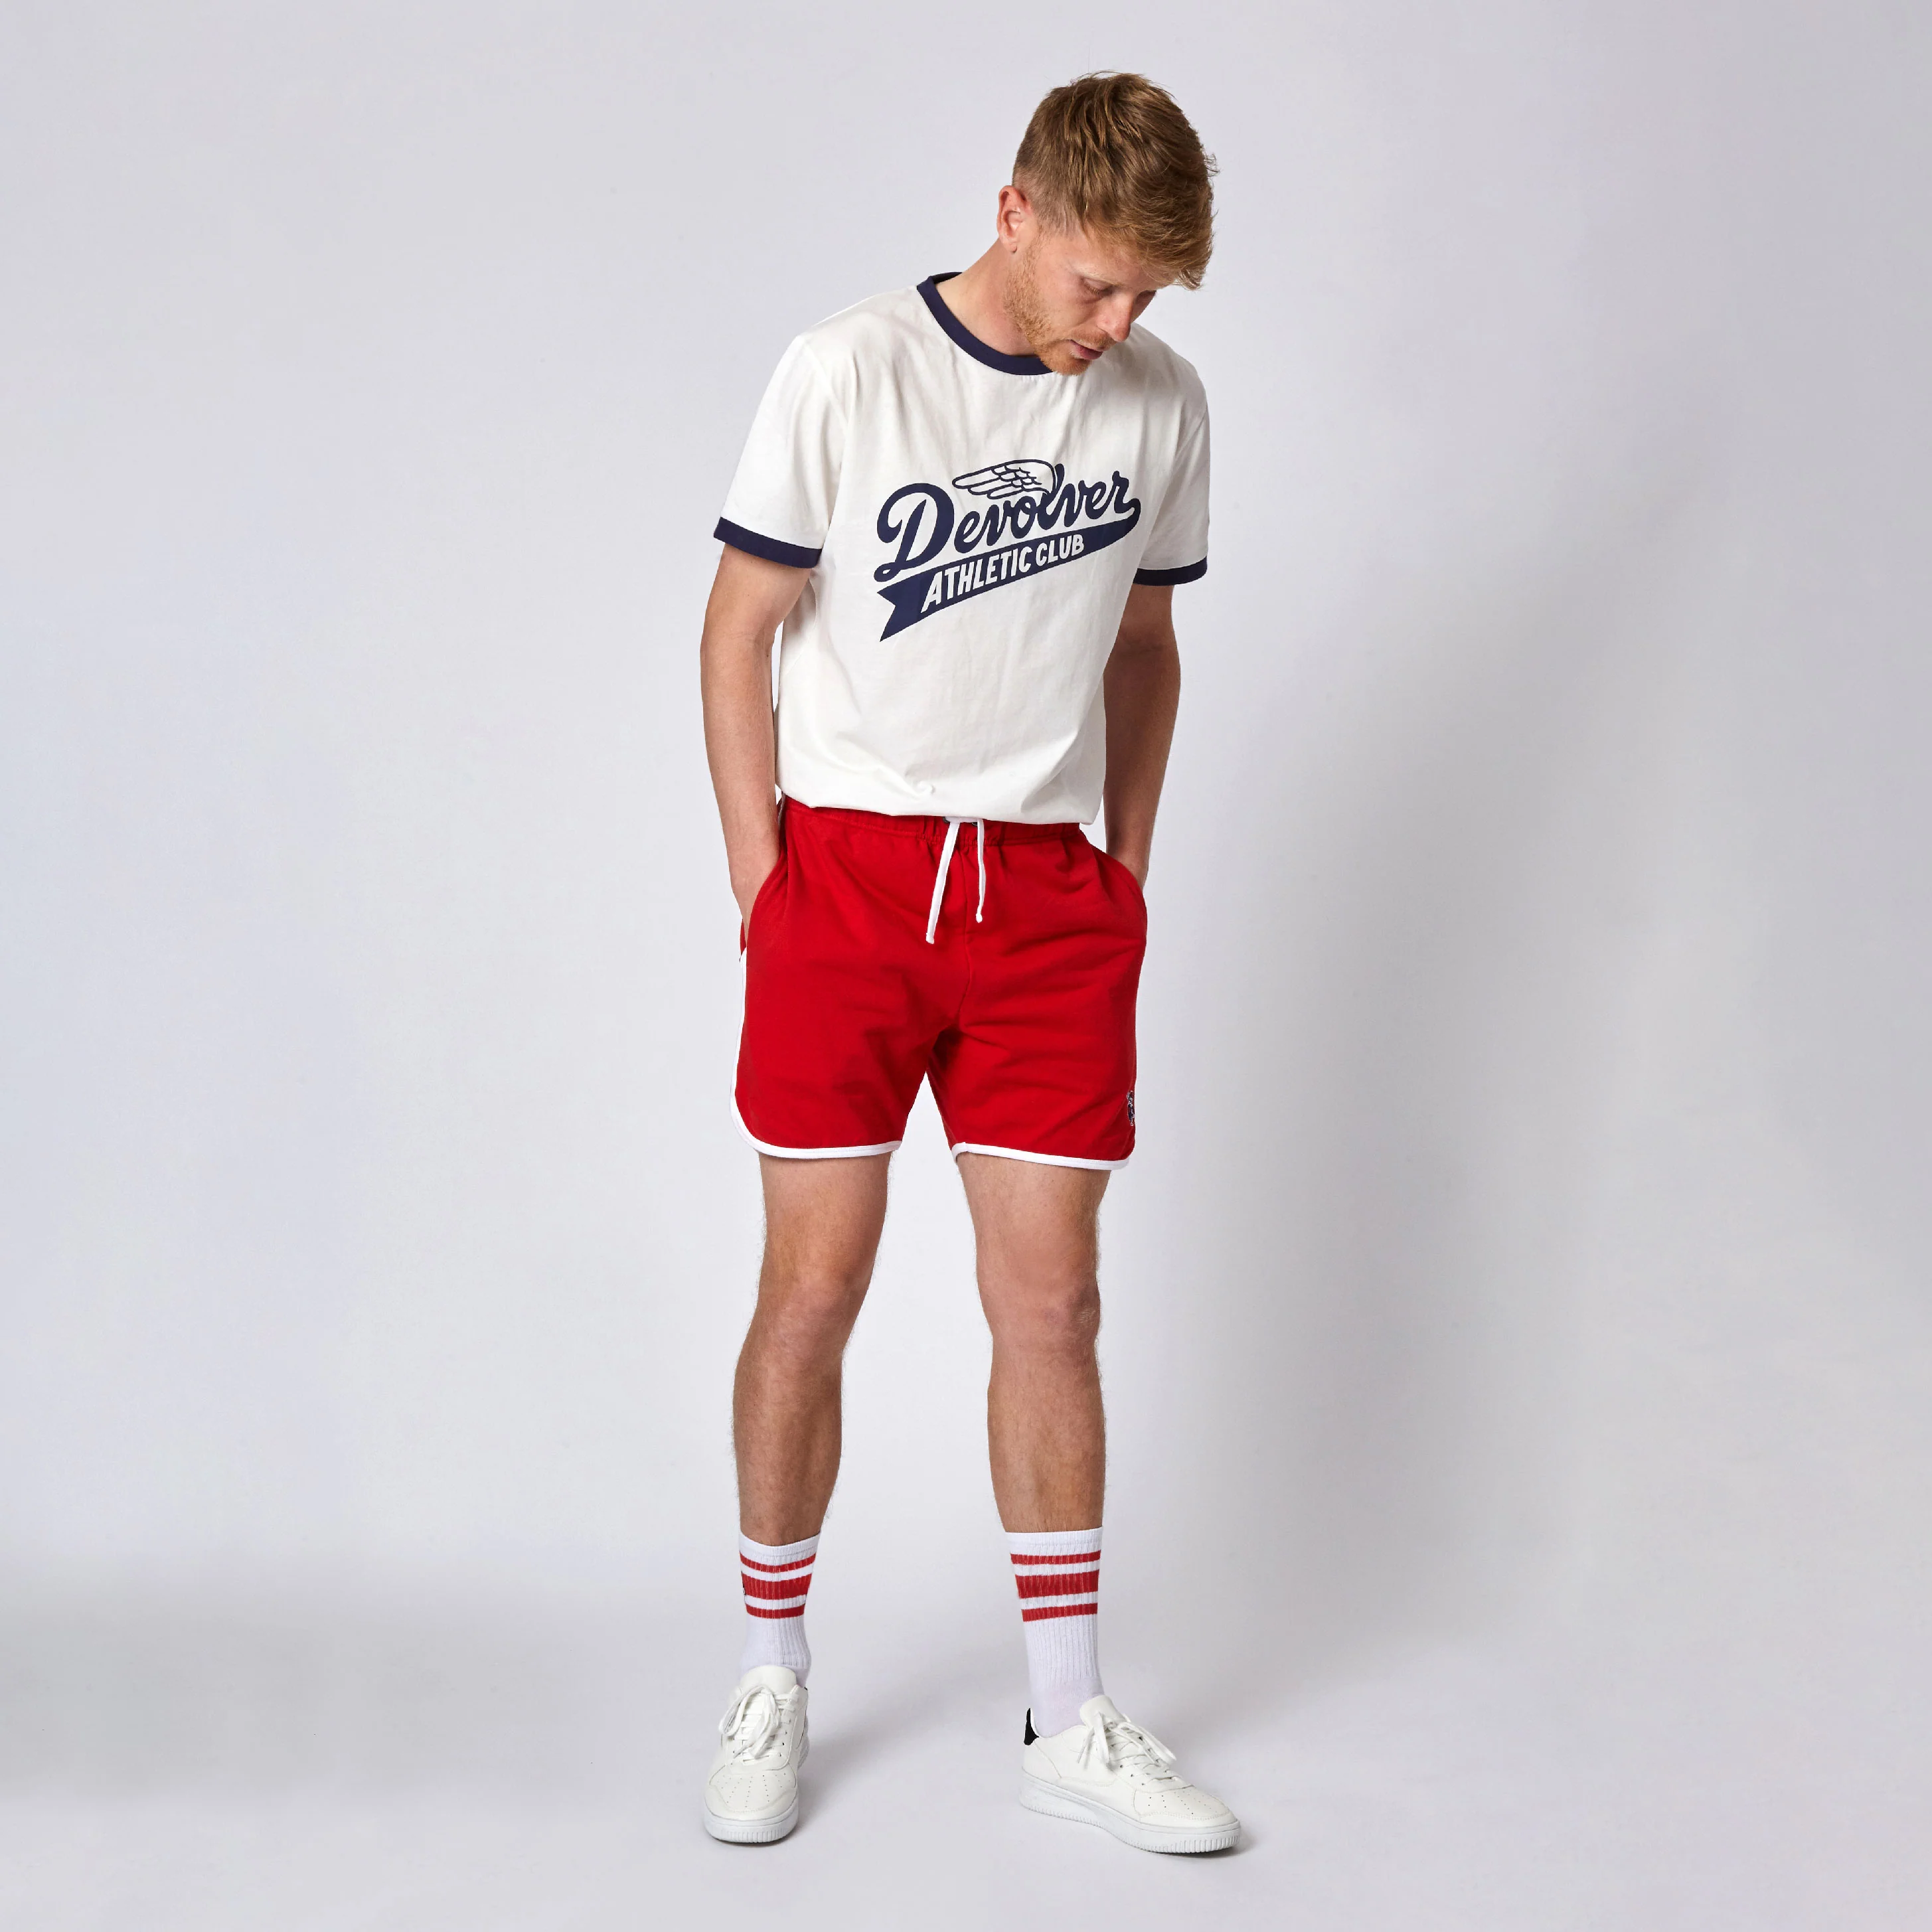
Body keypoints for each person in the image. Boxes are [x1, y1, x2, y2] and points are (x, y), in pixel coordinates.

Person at [696, 72, 1237, 1854]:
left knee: (1052, 1305)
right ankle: (771, 1673)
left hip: (1044, 898)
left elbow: (1146, 646)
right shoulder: (847, 368)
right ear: (1015, 213)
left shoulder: (1159, 401)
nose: (1118, 322)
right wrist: (765, 881)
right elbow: (740, 625)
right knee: (813, 1289)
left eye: (1148, 292)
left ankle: (1066, 1711)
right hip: (848, 880)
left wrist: (1122, 871)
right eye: (1098, 280)